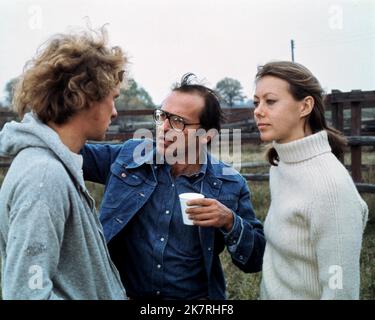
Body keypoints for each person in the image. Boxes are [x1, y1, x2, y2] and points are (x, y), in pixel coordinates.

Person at [82, 73, 266, 300]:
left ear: (206, 135)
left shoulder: (230, 183)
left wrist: (230, 222)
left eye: (178, 121)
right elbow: (72, 148)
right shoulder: (129, 156)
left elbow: (256, 260)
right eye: (162, 116)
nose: (165, 127)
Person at [0, 28, 128, 299]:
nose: (115, 112)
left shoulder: (52, 165)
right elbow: (27, 293)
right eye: (113, 98)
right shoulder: (44, 176)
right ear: (87, 95)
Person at [253, 61, 369, 300]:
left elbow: (341, 292)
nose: (258, 111)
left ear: (305, 106)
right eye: (256, 102)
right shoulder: (281, 164)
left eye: (270, 101)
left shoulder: (330, 188)